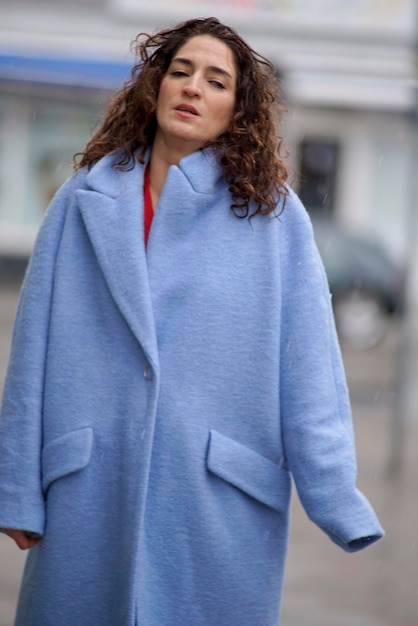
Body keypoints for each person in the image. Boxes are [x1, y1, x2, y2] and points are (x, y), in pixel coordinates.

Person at [0, 16, 383, 626]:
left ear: (239, 109)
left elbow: (309, 366)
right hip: (91, 487)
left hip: (215, 498)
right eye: (179, 72)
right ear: (153, 87)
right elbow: (32, 352)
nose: (193, 88)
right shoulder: (81, 200)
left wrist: (335, 493)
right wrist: (17, 486)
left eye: (216, 80)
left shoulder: (274, 220)